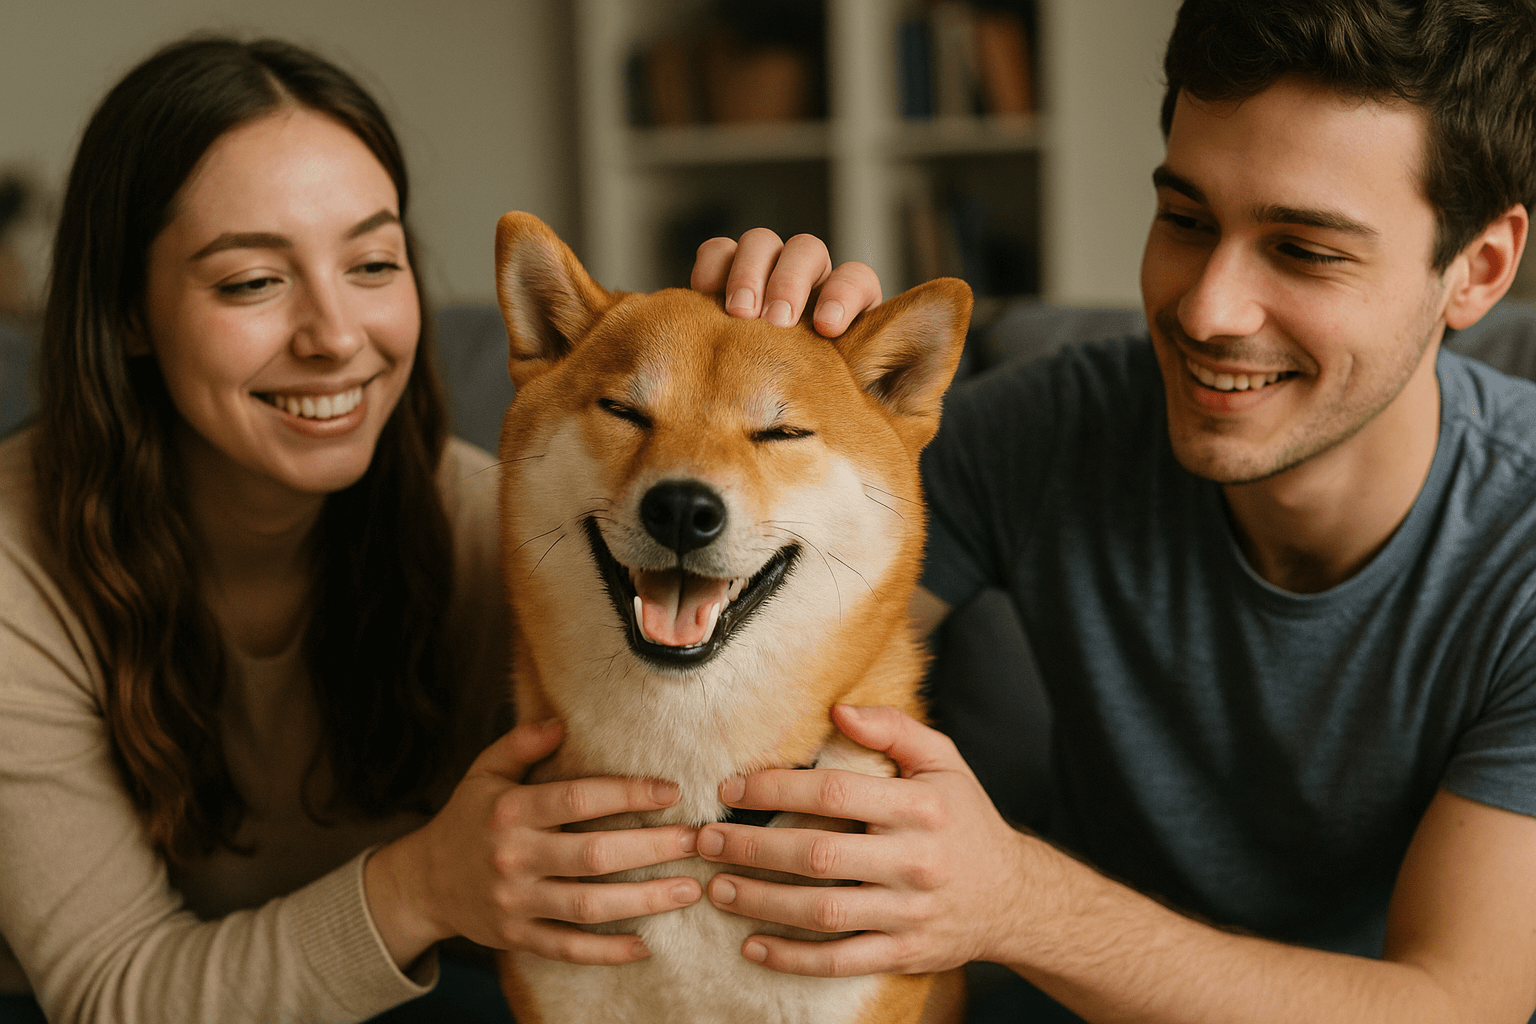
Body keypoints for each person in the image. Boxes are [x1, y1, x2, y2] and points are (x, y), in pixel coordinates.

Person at [686, 0, 1536, 1021]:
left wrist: (1016, 902)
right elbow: (729, 693)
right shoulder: (1052, 430)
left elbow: (1457, 1004)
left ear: (1479, 269)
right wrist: (751, 397)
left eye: (1306, 251)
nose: (1206, 310)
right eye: (1185, 219)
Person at [0, 36, 708, 1024]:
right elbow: (111, 991)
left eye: (373, 263)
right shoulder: (12, 568)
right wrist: (424, 886)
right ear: (125, 311)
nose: (336, 336)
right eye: (251, 281)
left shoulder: (511, 529)